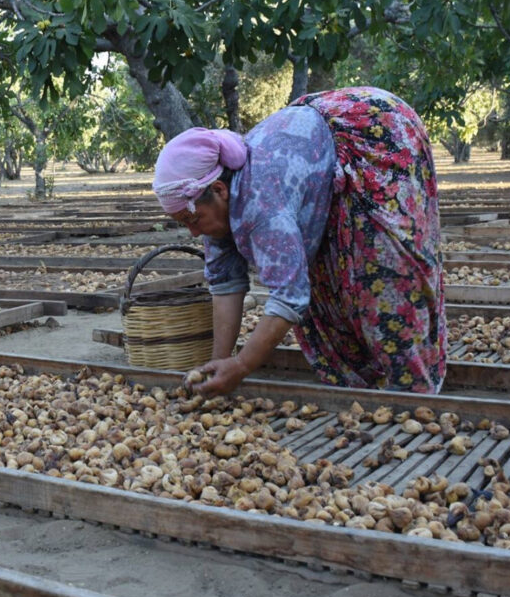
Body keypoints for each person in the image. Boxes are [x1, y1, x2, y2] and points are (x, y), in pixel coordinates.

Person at [153, 87, 446, 396]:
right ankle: (362, 385)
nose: (194, 234)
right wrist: (216, 364)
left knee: (384, 271)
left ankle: (412, 392)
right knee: (315, 273)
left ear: (220, 190)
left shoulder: (260, 202)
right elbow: (225, 283)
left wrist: (241, 366)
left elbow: (289, 296)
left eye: (192, 221)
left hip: (374, 132)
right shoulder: (213, 203)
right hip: (316, 141)